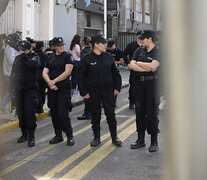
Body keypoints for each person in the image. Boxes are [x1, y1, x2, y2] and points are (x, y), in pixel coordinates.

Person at [78, 34, 122, 147]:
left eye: (105, 43)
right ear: (96, 45)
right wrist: (83, 92)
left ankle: (114, 137)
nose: (105, 45)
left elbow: (116, 74)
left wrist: (117, 88)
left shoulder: (108, 57)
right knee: (95, 115)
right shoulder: (87, 58)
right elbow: (80, 77)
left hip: (108, 91)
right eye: (102, 43)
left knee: (111, 115)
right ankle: (96, 137)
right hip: (93, 92)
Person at [129, 30, 160, 152]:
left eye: (143, 39)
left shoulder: (159, 51)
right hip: (139, 84)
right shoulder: (139, 50)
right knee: (139, 112)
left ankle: (154, 140)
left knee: (151, 113)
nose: (141, 41)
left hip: (152, 84)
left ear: (150, 39)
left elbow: (153, 67)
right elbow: (131, 65)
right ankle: (140, 139)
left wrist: (139, 63)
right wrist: (146, 67)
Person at [42, 37, 74, 146]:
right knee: (54, 113)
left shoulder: (67, 56)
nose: (61, 47)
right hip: (52, 88)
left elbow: (68, 72)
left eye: (62, 45)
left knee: (63, 113)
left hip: (63, 88)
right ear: (54, 46)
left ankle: (69, 135)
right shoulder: (50, 58)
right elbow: (44, 73)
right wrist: (50, 83)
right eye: (59, 45)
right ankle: (58, 135)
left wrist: (54, 81)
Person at [10, 40, 39, 147]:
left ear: (28, 49)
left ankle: (31, 136)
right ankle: (24, 134)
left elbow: (33, 66)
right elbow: (13, 73)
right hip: (19, 90)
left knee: (29, 113)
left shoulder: (33, 57)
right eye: (20, 49)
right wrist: (10, 88)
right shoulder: (17, 59)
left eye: (23, 49)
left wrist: (24, 56)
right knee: (20, 113)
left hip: (29, 90)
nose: (20, 51)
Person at [0, 33, 20, 113]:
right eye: (16, 40)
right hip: (9, 74)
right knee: (11, 91)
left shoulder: (11, 48)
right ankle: (2, 105)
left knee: (11, 91)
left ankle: (4, 105)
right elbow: (12, 61)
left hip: (11, 73)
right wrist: (20, 59)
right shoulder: (10, 49)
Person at [123, 31, 142, 109]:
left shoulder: (146, 46)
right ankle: (132, 102)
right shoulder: (131, 45)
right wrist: (128, 64)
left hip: (143, 69)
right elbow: (124, 54)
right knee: (133, 86)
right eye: (139, 37)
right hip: (134, 69)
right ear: (137, 37)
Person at [77, 36, 92, 120]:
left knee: (87, 96)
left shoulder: (84, 52)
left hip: (86, 76)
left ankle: (87, 113)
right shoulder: (92, 51)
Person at [106, 39, 124, 107]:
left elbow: (121, 61)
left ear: (114, 45)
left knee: (114, 86)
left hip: (115, 69)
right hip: (107, 70)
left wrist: (113, 62)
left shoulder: (118, 51)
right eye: (109, 47)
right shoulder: (107, 51)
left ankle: (114, 101)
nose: (110, 48)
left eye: (111, 46)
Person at [35, 41, 48, 113]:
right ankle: (40, 106)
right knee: (42, 92)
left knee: (36, 92)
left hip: (35, 76)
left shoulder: (34, 54)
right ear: (42, 47)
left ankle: (37, 106)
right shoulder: (44, 55)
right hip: (42, 76)